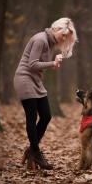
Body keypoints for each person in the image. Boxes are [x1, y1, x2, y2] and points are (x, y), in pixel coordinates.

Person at [13, 17, 78, 170]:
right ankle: (35, 152)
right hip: (24, 78)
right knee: (32, 116)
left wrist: (53, 65)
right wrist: (52, 64)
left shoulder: (50, 43)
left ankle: (31, 151)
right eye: (63, 34)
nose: (64, 38)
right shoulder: (40, 39)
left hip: (35, 80)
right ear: (55, 29)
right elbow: (32, 64)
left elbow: (40, 65)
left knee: (46, 115)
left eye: (66, 37)